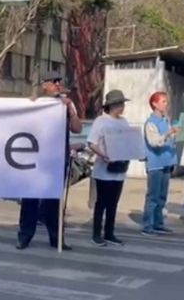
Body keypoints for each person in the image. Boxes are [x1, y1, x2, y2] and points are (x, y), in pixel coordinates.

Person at [16, 71, 83, 251]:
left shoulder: (66, 103)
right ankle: (25, 236)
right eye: (54, 82)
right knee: (30, 199)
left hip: (57, 159)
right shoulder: (34, 104)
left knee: (53, 201)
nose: (58, 85)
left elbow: (77, 128)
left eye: (59, 81)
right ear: (44, 85)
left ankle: (56, 238)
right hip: (34, 159)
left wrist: (70, 110)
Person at [87, 90, 132, 246]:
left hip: (119, 169)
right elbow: (92, 142)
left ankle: (109, 232)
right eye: (119, 104)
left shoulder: (124, 122)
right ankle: (96, 233)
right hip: (103, 170)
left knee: (113, 203)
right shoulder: (101, 121)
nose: (122, 107)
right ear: (111, 106)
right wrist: (104, 155)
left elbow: (128, 141)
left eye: (123, 104)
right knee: (102, 203)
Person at [141, 91, 180, 236]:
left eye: (166, 101)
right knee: (153, 195)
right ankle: (147, 225)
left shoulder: (166, 120)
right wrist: (168, 134)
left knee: (162, 196)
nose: (166, 104)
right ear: (154, 104)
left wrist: (176, 134)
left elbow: (169, 139)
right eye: (163, 101)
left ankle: (158, 223)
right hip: (155, 162)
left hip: (167, 161)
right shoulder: (151, 123)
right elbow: (154, 142)